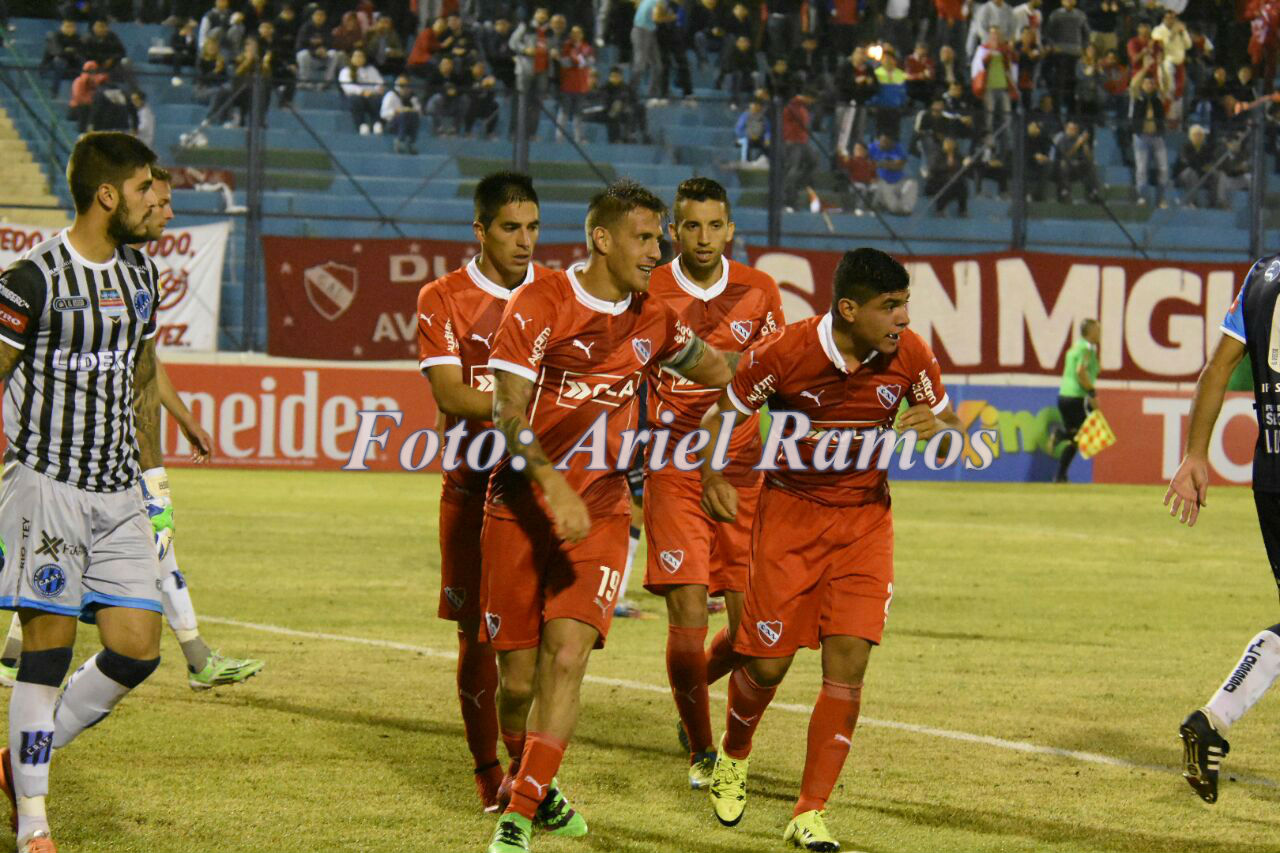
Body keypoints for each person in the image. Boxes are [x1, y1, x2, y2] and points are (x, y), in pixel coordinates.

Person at [482, 180, 734, 853]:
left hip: (599, 510)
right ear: (603, 238)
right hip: (519, 507)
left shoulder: (654, 319)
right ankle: (525, 773)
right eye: (646, 237)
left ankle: (520, 813)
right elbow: (508, 415)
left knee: (566, 657)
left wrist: (820, 361)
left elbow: (719, 367)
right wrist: (551, 487)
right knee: (517, 681)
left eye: (660, 237)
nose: (660, 249)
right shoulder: (541, 302)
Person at [698, 248, 961, 851]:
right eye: (889, 307)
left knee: (848, 667)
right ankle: (733, 754)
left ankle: (809, 811)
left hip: (866, 524)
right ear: (848, 309)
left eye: (905, 306)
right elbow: (726, 411)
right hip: (790, 519)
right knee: (766, 663)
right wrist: (714, 474)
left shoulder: (912, 357)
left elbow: (952, 437)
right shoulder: (784, 353)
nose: (902, 319)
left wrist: (940, 436)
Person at [0, 131, 167, 853]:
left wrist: (153, 480)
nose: (154, 199)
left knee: (137, 648)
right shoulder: (31, 278)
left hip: (118, 489)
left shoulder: (141, 276)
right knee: (49, 646)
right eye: (142, 188)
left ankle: (16, 762)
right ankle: (34, 819)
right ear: (107, 195)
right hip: (49, 486)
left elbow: (141, 379)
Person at [644, 178, 784, 791]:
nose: (703, 237)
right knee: (689, 611)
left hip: (745, 471)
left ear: (730, 229)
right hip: (673, 464)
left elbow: (782, 374)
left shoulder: (762, 290)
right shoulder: (648, 287)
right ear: (675, 231)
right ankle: (704, 751)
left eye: (714, 226)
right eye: (691, 226)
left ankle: (691, 689)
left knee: (756, 635)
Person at [416, 173, 549, 815]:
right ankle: (488, 769)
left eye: (532, 227)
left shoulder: (557, 293)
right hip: (470, 488)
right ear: (481, 230)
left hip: (539, 495)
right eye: (509, 228)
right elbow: (448, 394)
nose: (524, 241)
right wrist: (535, 415)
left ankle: (529, 767)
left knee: (543, 639)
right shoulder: (443, 297)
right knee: (477, 637)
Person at [1166, 252, 1280, 805]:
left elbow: (1217, 370)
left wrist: (1194, 454)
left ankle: (1213, 719)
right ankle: (1212, 719)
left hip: (1273, 474)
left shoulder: (1261, 275)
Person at [1051, 318, 1099, 483]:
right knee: (1087, 433)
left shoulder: (1074, 348)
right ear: (1090, 332)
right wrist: (1092, 393)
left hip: (1063, 396)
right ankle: (1060, 434)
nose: (1099, 333)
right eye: (1097, 330)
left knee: (1075, 439)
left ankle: (1060, 476)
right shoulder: (1087, 349)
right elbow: (1081, 371)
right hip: (1075, 397)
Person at [338, 48, 385, 135]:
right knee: (355, 99)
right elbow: (347, 86)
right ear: (351, 58)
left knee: (377, 99)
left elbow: (379, 82)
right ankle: (361, 125)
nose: (359, 58)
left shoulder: (371, 69)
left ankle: (377, 123)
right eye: (356, 56)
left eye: (361, 56)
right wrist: (362, 92)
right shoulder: (346, 71)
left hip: (371, 96)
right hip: (354, 97)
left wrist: (376, 90)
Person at [870, 132, 919, 214]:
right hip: (881, 182)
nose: (883, 143)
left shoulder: (898, 148)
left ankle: (906, 209)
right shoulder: (873, 148)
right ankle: (895, 209)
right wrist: (888, 164)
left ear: (892, 142)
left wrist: (882, 164)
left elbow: (899, 165)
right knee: (884, 185)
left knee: (912, 184)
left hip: (898, 182)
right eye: (881, 141)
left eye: (886, 141)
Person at [41, 19, 82, 97]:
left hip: (70, 67)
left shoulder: (77, 38)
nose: (69, 29)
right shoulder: (54, 36)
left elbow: (80, 52)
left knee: (83, 61)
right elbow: (57, 52)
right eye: (67, 26)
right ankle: (54, 91)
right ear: (61, 27)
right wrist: (70, 51)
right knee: (59, 61)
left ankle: (80, 93)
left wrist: (68, 52)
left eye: (72, 27)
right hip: (50, 68)